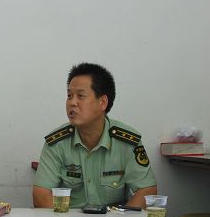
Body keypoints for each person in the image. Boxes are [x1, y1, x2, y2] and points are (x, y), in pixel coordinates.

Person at [33, 63, 157, 209]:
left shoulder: (127, 142)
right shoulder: (56, 143)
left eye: (80, 96)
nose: (72, 103)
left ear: (102, 102)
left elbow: (147, 190)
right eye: (69, 96)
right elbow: (41, 194)